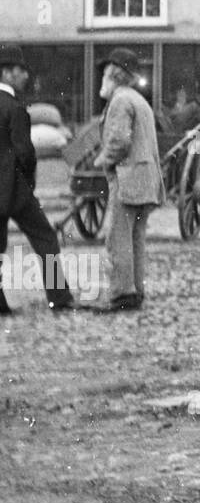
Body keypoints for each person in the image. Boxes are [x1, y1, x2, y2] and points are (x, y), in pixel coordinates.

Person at [85, 48, 165, 313]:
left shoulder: (120, 101)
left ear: (114, 75)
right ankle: (135, 292)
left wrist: (101, 161)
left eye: (105, 75)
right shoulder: (139, 100)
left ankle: (122, 293)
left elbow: (119, 142)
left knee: (118, 238)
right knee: (136, 239)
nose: (101, 82)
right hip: (146, 181)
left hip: (127, 180)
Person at [0, 46, 75, 314]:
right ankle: (60, 298)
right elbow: (25, 154)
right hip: (16, 191)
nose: (25, 76)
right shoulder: (16, 108)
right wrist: (29, 186)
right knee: (46, 239)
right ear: (7, 72)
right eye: (21, 71)